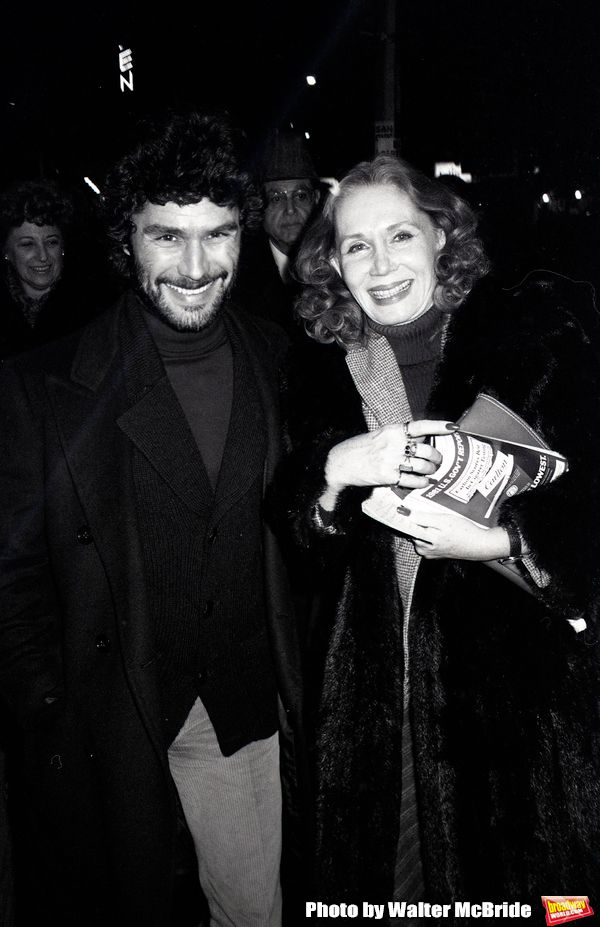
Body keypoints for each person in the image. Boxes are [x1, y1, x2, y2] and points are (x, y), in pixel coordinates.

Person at [0, 110, 306, 927]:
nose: (198, 266)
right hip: (108, 715)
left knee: (254, 910)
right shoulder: (43, 385)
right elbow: (14, 576)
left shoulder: (288, 363)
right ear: (125, 243)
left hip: (241, 709)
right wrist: (46, 710)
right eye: (167, 237)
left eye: (219, 234)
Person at [288, 154, 600, 913]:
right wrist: (329, 471)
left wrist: (504, 543)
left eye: (401, 235)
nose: (382, 263)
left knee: (538, 895)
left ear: (442, 235)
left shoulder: (535, 338)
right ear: (334, 261)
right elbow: (301, 538)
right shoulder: (321, 364)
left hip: (521, 716)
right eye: (357, 245)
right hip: (373, 710)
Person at [234, 128, 321, 336]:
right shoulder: (238, 276)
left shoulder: (339, 264)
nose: (290, 209)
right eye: (276, 198)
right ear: (258, 205)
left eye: (300, 196)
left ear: (316, 199)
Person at [0, 181, 77, 358]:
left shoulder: (95, 307)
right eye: (27, 244)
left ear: (63, 247)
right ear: (6, 252)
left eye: (51, 242)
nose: (43, 256)